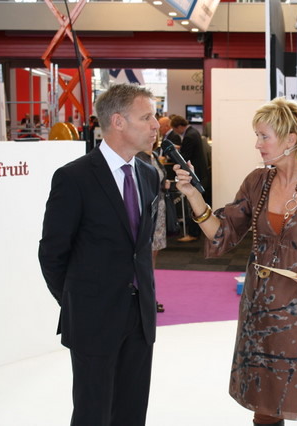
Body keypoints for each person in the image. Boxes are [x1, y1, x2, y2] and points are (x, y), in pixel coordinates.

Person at [174, 96, 297, 426]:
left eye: (263, 136)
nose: (257, 144)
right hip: (257, 307)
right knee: (265, 403)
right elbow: (222, 234)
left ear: (290, 140)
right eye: (257, 135)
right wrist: (193, 195)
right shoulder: (256, 182)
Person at [38, 83, 160, 426]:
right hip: (93, 319)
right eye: (147, 117)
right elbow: (52, 253)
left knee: (132, 412)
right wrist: (79, 301)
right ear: (118, 122)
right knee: (92, 414)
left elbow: (140, 248)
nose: (156, 125)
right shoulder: (74, 177)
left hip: (140, 317)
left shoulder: (149, 174)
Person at [137, 137, 171, 313]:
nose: (153, 135)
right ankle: (145, 297)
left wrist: (165, 185)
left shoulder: (154, 156)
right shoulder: (138, 156)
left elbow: (159, 179)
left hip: (160, 209)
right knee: (145, 255)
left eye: (155, 133)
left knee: (153, 255)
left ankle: (149, 295)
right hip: (146, 211)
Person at [171, 115, 211, 240]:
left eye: (175, 129)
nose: (175, 132)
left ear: (179, 126)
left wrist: (175, 154)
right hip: (201, 172)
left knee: (194, 204)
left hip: (195, 174)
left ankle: (193, 233)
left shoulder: (189, 136)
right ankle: (197, 231)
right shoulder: (193, 132)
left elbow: (184, 157)